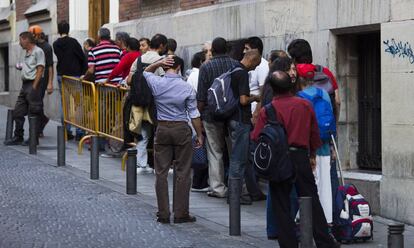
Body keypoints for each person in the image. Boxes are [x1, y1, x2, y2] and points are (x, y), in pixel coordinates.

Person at [251, 71, 340, 248]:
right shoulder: (304, 105)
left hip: (278, 160)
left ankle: (288, 243)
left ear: (272, 88)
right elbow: (314, 134)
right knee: (311, 198)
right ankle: (324, 241)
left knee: (281, 203)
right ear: (291, 85)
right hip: (300, 156)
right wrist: (312, 155)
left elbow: (256, 136)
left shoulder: (268, 110)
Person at [143, 55, 203, 224]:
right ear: (179, 68)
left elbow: (145, 72)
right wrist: (199, 134)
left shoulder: (157, 83)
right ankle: (181, 212)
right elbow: (194, 114)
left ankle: (163, 212)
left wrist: (158, 63)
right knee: (183, 171)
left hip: (162, 128)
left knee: (160, 172)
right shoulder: (187, 88)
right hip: (181, 128)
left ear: (166, 66)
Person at [288, 38, 340, 212]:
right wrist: (333, 124)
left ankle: (305, 216)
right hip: (327, 129)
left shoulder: (296, 74)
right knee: (329, 173)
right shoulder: (324, 71)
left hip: (305, 132)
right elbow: (337, 101)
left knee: (306, 175)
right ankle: (333, 211)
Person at [196, 37, 239, 198]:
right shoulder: (235, 64)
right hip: (233, 113)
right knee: (234, 150)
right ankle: (236, 186)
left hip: (210, 114)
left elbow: (201, 95)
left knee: (215, 151)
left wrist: (198, 115)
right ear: (227, 49)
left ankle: (217, 187)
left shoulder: (206, 67)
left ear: (212, 51)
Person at [296, 63, 334, 225]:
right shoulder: (324, 94)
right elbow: (330, 118)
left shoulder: (299, 97)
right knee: (325, 183)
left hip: (307, 149)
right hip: (324, 145)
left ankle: (303, 217)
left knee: (310, 184)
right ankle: (327, 218)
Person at [127, 33, 168, 173]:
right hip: (156, 103)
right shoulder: (162, 60)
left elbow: (129, 80)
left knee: (143, 134)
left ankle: (142, 164)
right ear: (162, 46)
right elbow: (164, 82)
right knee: (160, 134)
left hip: (140, 102)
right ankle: (161, 164)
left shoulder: (139, 59)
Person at [4, 32, 45, 146]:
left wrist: (34, 87)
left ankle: (33, 138)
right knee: (18, 111)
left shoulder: (38, 51)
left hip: (33, 84)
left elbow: (40, 70)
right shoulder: (27, 52)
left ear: (26, 39)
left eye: (20, 40)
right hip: (25, 85)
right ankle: (18, 136)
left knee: (34, 112)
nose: (20, 43)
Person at [242, 37, 268, 202]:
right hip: (249, 114)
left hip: (253, 115)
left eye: (247, 48)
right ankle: (252, 189)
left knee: (251, 154)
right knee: (248, 154)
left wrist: (256, 116)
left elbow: (262, 94)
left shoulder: (262, 66)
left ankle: (253, 189)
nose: (244, 51)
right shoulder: (250, 65)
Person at [53, 20, 87, 140]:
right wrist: (83, 72)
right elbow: (82, 57)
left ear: (58, 30)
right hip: (74, 75)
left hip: (62, 75)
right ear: (68, 29)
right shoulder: (73, 42)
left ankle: (66, 131)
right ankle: (79, 132)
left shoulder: (56, 44)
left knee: (65, 104)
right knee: (78, 104)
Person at [187, 51, 208, 192]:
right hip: (196, 116)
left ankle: (198, 181)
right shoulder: (198, 75)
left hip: (194, 115)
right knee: (200, 147)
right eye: (209, 58)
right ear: (201, 61)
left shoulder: (194, 75)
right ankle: (198, 182)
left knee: (198, 147)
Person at [27, 26, 53, 140]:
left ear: (37, 35)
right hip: (34, 77)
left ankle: (38, 129)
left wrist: (50, 83)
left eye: (31, 36)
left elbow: (50, 66)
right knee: (35, 102)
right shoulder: (33, 46)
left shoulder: (47, 47)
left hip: (43, 79)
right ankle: (42, 121)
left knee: (37, 102)